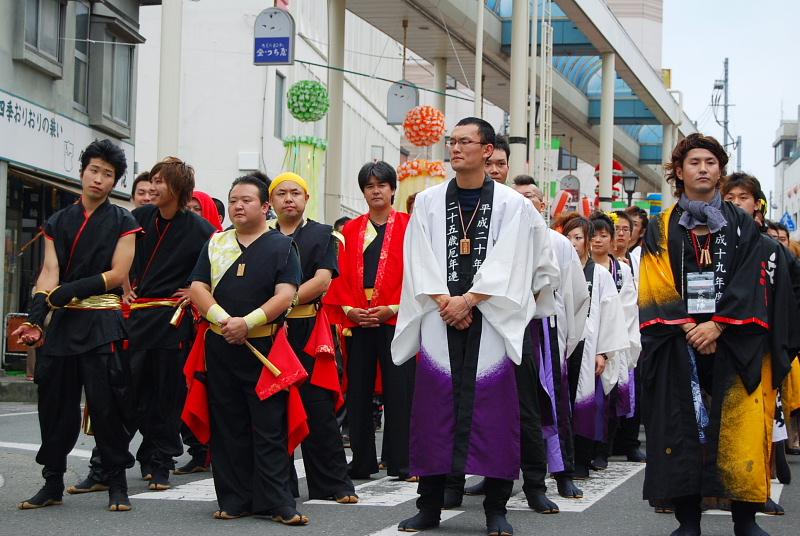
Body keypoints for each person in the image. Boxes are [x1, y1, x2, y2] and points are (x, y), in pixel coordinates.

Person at [392, 117, 544, 535]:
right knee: (434, 411)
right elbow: (418, 256)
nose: (455, 148)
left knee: (494, 415)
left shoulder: (514, 205)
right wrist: (446, 300)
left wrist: (470, 300)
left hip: (491, 319)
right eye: (451, 141)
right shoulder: (428, 201)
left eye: (465, 141)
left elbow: (515, 260)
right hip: (440, 318)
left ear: (488, 149)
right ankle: (429, 506)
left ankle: (497, 509)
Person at [639, 134, 796, 536]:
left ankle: (745, 519)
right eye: (694, 162)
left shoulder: (743, 225)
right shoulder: (659, 227)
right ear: (678, 171)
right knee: (683, 430)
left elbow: (752, 279)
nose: (703, 168)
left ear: (720, 171)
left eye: (711, 162)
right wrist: (690, 326)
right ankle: (687, 520)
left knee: (741, 430)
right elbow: (656, 282)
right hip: (680, 340)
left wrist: (719, 324)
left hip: (736, 341)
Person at [14, 139, 141, 511]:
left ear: (115, 181)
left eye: (107, 174)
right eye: (94, 170)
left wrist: (66, 292)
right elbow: (48, 273)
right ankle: (52, 481)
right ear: (82, 171)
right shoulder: (59, 221)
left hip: (102, 321)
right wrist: (36, 319)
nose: (98, 179)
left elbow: (118, 275)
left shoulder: (124, 221)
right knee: (54, 405)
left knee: (107, 405)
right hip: (64, 324)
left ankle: (116, 483)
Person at [189, 174, 308, 524]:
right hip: (221, 345)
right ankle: (233, 498)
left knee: (269, 426)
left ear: (264, 206)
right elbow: (197, 286)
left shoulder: (282, 245)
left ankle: (278, 502)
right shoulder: (216, 243)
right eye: (233, 200)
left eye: (247, 200)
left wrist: (248, 323)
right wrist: (225, 320)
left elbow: (286, 294)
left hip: (264, 348)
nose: (238, 206)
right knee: (228, 424)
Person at [267, 172, 357, 503]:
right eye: (281, 194)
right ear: (271, 201)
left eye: (295, 193)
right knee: (272, 412)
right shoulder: (260, 236)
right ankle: (280, 489)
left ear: (306, 199)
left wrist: (279, 304)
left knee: (318, 410)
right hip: (268, 333)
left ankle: (334, 485)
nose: (288, 199)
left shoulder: (322, 234)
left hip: (306, 332)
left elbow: (321, 282)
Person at [323, 162, 413, 481]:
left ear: (392, 189)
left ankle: (401, 460)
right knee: (357, 391)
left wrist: (393, 307)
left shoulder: (409, 225)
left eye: (381, 184)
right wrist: (348, 309)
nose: (376, 190)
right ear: (363, 192)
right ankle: (362, 460)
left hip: (396, 317)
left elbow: (417, 273)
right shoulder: (350, 230)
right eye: (369, 186)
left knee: (399, 389)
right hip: (358, 317)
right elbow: (339, 273)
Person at [513, 176, 590, 500]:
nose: (527, 203)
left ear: (542, 205)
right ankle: (494, 475)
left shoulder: (558, 244)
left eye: (532, 197)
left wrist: (569, 340)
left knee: (551, 404)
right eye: (520, 199)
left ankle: (561, 472)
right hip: (508, 329)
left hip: (543, 330)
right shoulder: (504, 240)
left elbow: (574, 296)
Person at [560, 213, 629, 479]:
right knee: (561, 404)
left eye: (578, 238)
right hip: (563, 346)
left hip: (590, 349)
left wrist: (604, 352)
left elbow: (611, 315)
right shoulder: (559, 270)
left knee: (587, 405)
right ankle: (561, 461)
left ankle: (582, 459)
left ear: (587, 242)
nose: (573, 243)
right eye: (569, 237)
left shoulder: (599, 275)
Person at [587, 212, 642, 468]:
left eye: (604, 235)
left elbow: (629, 308)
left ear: (612, 240)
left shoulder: (622, 270)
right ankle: (584, 449)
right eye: (593, 235)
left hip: (615, 341)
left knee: (609, 401)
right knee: (587, 399)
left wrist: (613, 343)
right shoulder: (581, 268)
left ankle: (603, 450)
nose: (598, 240)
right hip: (586, 341)